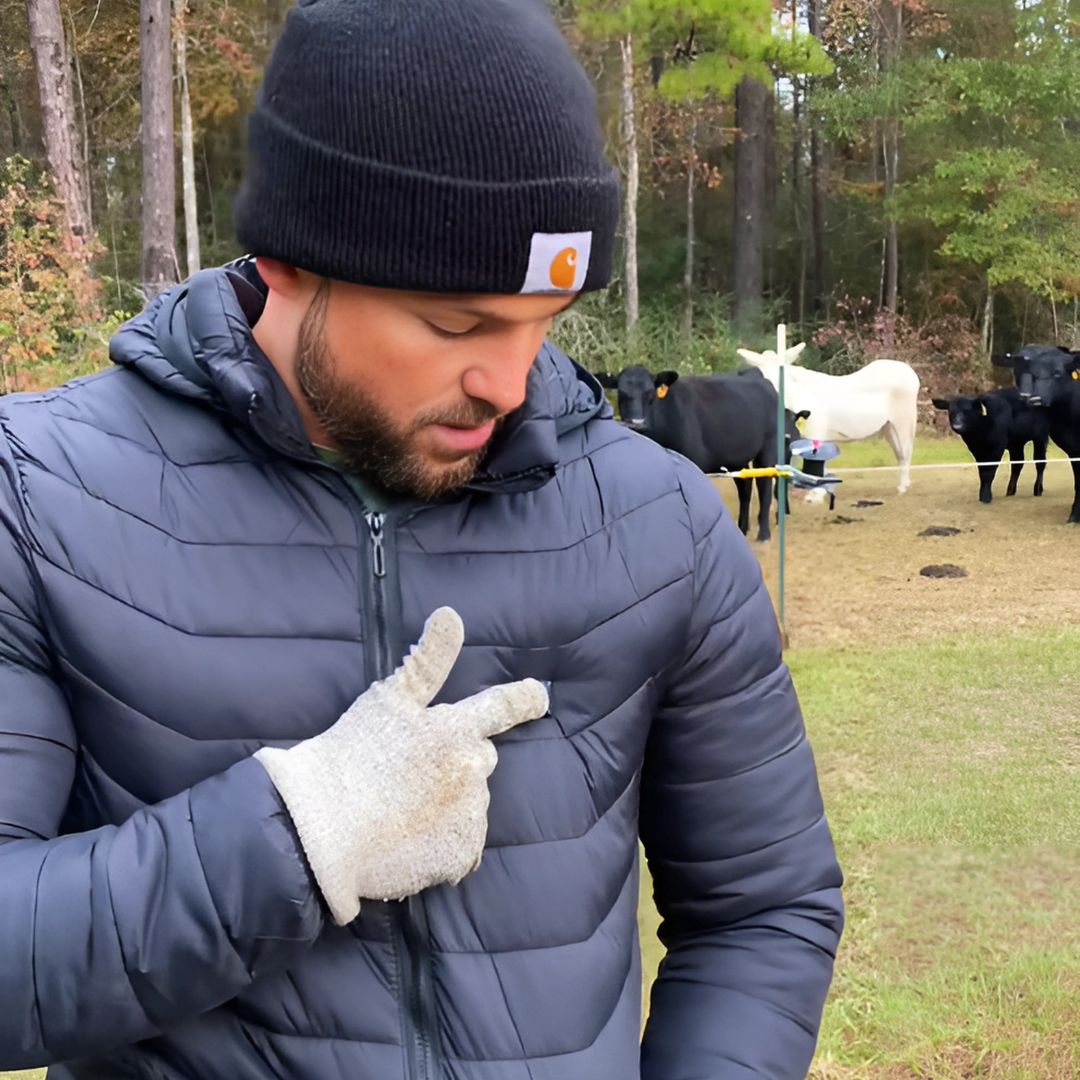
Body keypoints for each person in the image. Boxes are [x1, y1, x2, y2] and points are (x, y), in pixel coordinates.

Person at [0, 1, 843, 1077]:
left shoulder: (660, 520)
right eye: (458, 325)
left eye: (545, 324)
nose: (511, 380)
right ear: (293, 260)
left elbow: (764, 910)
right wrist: (295, 837)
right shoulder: (37, 498)